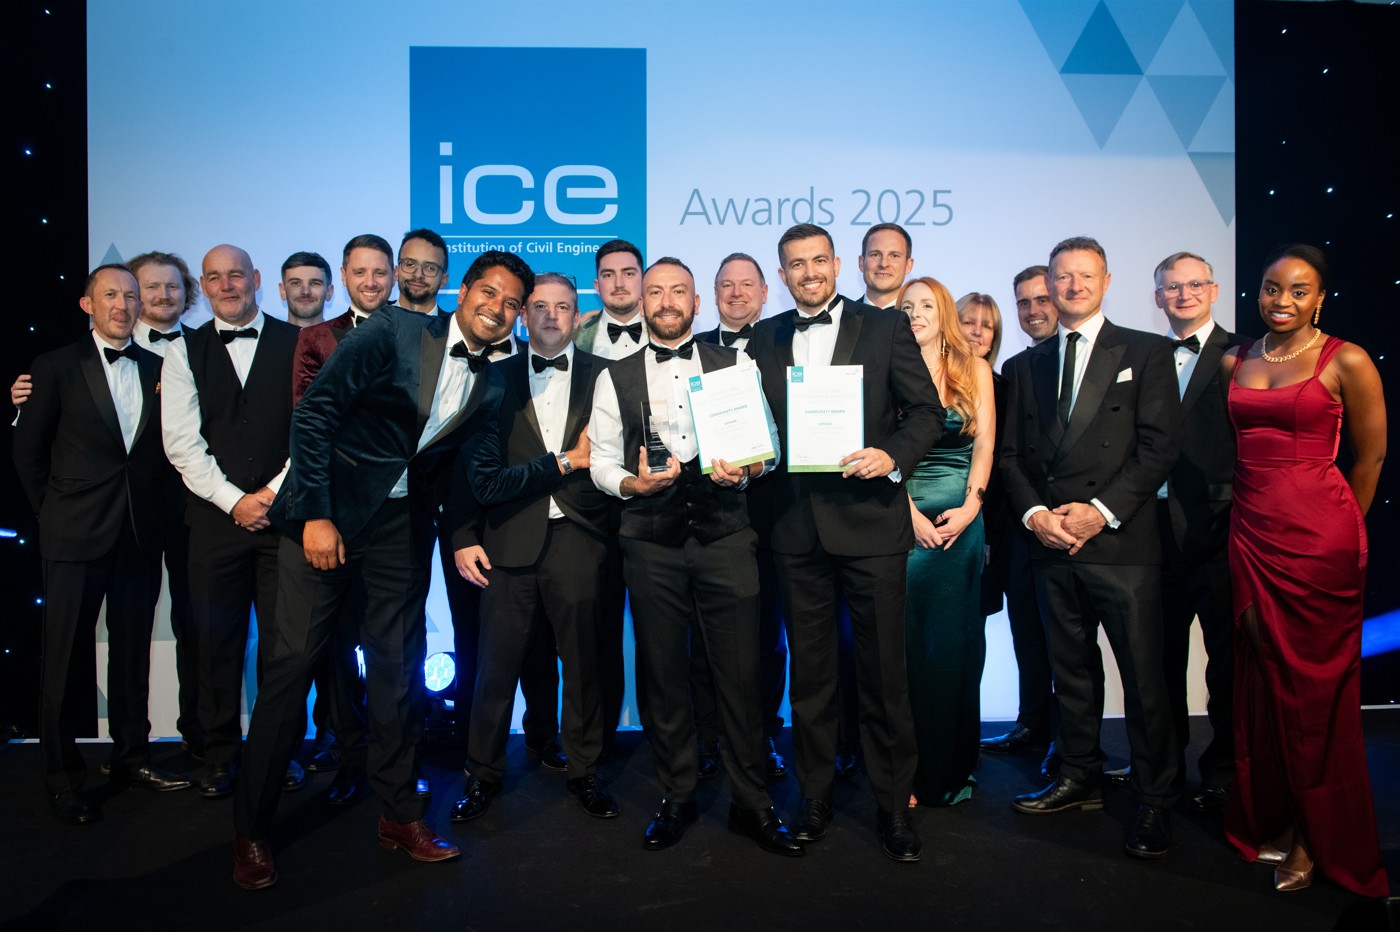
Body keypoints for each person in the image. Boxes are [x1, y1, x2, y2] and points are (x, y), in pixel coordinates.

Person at [228, 250, 531, 890]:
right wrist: (314, 513)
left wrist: (561, 464)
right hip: (326, 516)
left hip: (399, 532)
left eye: (511, 305)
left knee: (397, 672)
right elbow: (316, 414)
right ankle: (251, 829)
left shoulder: (497, 379)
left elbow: (471, 475)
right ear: (464, 290)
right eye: (490, 293)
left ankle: (400, 816)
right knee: (292, 671)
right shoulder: (392, 330)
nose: (498, 310)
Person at [590, 257, 800, 856]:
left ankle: (752, 803)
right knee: (663, 676)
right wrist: (631, 486)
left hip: (727, 537)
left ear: (696, 302)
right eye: (654, 291)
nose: (664, 300)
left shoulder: (737, 364)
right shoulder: (616, 375)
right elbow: (603, 460)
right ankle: (677, 796)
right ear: (641, 301)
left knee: (741, 674)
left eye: (677, 290)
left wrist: (748, 471)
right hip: (650, 542)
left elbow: (770, 450)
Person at [746, 223, 942, 862]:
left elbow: (926, 413)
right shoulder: (764, 337)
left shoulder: (885, 326)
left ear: (837, 265)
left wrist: (890, 455)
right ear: (783, 275)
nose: (808, 273)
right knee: (812, 677)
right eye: (795, 265)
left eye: (818, 261)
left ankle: (893, 809)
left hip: (870, 526)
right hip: (794, 530)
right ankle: (815, 797)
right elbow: (753, 425)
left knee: (885, 674)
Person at [1000, 237, 1181, 860]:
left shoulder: (1148, 351)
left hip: (1121, 543)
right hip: (1052, 541)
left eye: (1085, 276)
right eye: (1062, 276)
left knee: (1144, 678)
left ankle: (1157, 798)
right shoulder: (1025, 367)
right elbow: (1010, 458)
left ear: (1105, 280)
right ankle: (1079, 776)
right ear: (1048, 283)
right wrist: (1035, 514)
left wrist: (1098, 513)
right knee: (1071, 673)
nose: (1072, 286)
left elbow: (1158, 448)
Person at [1221, 244, 1387, 896]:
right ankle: (1277, 814)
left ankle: (1315, 840)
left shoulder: (1346, 359)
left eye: (1298, 290)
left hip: (1321, 545)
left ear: (1320, 298)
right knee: (1267, 684)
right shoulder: (1237, 360)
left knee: (1317, 696)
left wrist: (1341, 532)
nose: (1281, 301)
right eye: (1271, 289)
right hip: (1251, 535)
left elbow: (1369, 461)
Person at [13, 265, 193, 824]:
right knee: (64, 660)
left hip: (138, 535)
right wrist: (54, 514)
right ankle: (61, 775)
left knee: (133, 651)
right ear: (87, 304)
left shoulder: (160, 367)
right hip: (73, 535)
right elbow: (28, 453)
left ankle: (130, 758)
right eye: (111, 295)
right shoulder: (54, 367)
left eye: (130, 296)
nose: (123, 304)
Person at [447, 272, 617, 822]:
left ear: (578, 316)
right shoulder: (490, 377)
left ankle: (585, 772)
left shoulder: (610, 377)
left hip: (582, 539)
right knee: (494, 668)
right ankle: (482, 775)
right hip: (506, 541)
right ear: (524, 316)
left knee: (584, 666)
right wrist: (463, 534)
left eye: (562, 307)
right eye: (539, 306)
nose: (550, 316)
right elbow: (466, 467)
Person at [162, 244, 303, 801]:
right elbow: (182, 443)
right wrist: (233, 500)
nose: (227, 286)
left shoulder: (299, 345)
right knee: (215, 645)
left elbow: (310, 432)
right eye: (215, 278)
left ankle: (277, 755)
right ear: (204, 284)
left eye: (236, 275)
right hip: (215, 523)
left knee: (281, 649)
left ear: (257, 280)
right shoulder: (182, 351)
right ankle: (219, 755)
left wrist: (269, 494)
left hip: (284, 519)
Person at [1150, 252, 1244, 813]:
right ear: (1157, 296)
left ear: (1212, 290)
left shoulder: (1244, 355)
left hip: (1219, 528)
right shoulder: (1143, 354)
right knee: (1156, 661)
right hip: (1152, 531)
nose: (1183, 295)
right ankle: (1161, 770)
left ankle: (1224, 772)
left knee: (1226, 662)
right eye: (1172, 287)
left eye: (1193, 285)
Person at [692, 252, 788, 781]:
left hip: (774, 515)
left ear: (764, 290)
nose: (736, 293)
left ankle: (764, 738)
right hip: (708, 517)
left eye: (746, 284)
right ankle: (709, 736)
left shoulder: (783, 344)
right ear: (712, 294)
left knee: (766, 639)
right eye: (725, 285)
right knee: (705, 638)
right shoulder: (692, 349)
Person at [900, 278, 994, 808]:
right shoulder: (890, 372)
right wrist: (907, 512)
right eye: (907, 306)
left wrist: (971, 508)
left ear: (944, 313)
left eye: (926, 305)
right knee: (909, 650)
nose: (915, 313)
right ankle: (910, 773)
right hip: (904, 522)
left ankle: (951, 767)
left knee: (955, 648)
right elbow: (882, 452)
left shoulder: (975, 369)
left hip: (962, 521)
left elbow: (984, 448)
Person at [978, 269, 1061, 781]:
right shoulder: (1018, 367)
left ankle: (1071, 743)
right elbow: (1008, 455)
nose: (1033, 310)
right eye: (1024, 302)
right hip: (1017, 524)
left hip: (1078, 521)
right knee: (1029, 632)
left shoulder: (1007, 374)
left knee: (1065, 641)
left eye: (1042, 299)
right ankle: (1035, 724)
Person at [393, 228, 450, 315]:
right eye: (410, 264)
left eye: (430, 268)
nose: (418, 275)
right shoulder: (373, 320)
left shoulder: (453, 327)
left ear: (443, 280)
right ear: (396, 272)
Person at [857, 223, 914, 309]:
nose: (884, 264)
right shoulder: (839, 317)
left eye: (894, 256)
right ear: (861, 263)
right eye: (875, 255)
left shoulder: (919, 319)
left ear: (908, 265)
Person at [279, 252, 334, 328]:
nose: (306, 292)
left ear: (329, 292)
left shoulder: (346, 339)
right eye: (296, 283)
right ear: (283, 291)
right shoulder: (266, 339)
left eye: (315, 283)